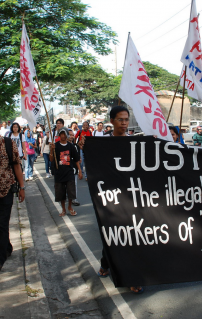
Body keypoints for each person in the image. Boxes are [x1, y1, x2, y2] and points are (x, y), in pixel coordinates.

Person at [79, 106, 144, 294]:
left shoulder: (134, 143)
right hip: (108, 198)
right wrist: (84, 145)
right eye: (120, 120)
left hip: (132, 197)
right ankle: (106, 263)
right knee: (112, 234)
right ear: (111, 121)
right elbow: (89, 157)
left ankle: (132, 276)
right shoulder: (101, 142)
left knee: (132, 236)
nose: (124, 123)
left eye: (126, 119)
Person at [0, 137, 25, 271]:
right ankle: (7, 247)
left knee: (2, 223)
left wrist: (22, 187)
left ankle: (1, 258)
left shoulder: (8, 144)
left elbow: (16, 165)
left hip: (6, 190)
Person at [49, 127, 82, 216]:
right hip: (59, 173)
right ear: (59, 135)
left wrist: (80, 171)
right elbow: (51, 159)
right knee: (61, 192)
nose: (63, 136)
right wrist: (51, 150)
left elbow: (76, 159)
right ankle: (63, 209)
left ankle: (70, 207)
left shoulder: (71, 146)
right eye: (61, 134)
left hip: (69, 172)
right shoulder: (55, 146)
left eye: (64, 134)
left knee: (71, 191)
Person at [67, 129, 81, 206]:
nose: (71, 136)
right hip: (65, 169)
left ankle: (73, 199)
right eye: (70, 135)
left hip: (74, 169)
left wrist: (79, 170)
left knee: (74, 184)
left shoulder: (75, 146)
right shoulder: (63, 146)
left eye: (72, 135)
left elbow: (77, 158)